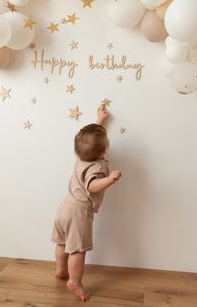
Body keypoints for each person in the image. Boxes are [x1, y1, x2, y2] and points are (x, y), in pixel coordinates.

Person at [51, 104, 122, 302]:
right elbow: (92, 186)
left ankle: (60, 269)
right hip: (79, 212)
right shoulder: (97, 165)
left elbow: (89, 139)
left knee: (62, 242)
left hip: (65, 206)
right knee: (78, 249)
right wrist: (109, 179)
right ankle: (75, 281)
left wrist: (99, 121)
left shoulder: (81, 154)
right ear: (104, 149)